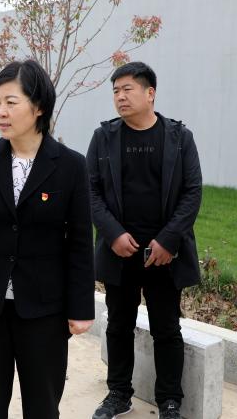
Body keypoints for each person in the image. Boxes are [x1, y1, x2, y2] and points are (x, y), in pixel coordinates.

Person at [0, 59, 95, 419]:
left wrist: (81, 307)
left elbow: (79, 243)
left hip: (44, 308)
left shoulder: (70, 165)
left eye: (11, 102)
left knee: (43, 405)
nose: (1, 112)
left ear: (38, 107)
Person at [86, 62, 202, 419]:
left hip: (163, 255)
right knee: (118, 325)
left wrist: (169, 240)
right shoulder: (104, 137)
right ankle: (118, 394)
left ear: (150, 93)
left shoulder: (179, 138)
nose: (120, 97)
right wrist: (113, 234)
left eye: (127, 89)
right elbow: (91, 191)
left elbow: (192, 191)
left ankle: (170, 401)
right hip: (120, 251)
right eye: (115, 91)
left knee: (167, 328)